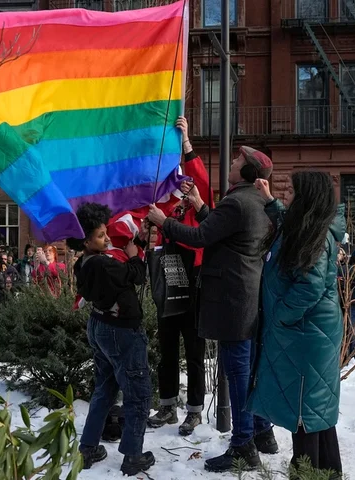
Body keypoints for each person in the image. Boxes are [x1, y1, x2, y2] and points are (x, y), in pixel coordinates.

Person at [148, 145, 278, 472]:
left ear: (246, 171)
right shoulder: (258, 200)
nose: (231, 162)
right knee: (250, 368)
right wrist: (201, 205)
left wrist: (164, 222)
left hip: (233, 299)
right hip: (250, 295)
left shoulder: (236, 201)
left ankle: (243, 445)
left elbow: (202, 237)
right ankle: (263, 432)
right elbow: (226, 233)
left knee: (237, 372)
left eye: (236, 160)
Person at [246, 172, 344, 478]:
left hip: (306, 335)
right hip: (307, 333)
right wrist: (270, 201)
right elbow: (289, 221)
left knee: (305, 412)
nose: (285, 192)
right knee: (315, 412)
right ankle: (328, 471)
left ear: (307, 197)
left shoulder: (316, 235)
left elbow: (309, 288)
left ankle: (307, 472)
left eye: (291, 190)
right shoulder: (307, 226)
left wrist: (281, 318)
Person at [68, 203, 154, 476]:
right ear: (86, 240)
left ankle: (89, 447)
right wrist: (134, 255)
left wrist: (137, 241)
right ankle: (132, 455)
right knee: (138, 393)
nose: (107, 239)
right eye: (102, 235)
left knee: (104, 389)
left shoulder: (83, 263)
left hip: (100, 326)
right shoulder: (104, 265)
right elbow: (136, 276)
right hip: (121, 332)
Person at [146, 116, 211, 436]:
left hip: (194, 273)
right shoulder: (163, 196)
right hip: (169, 270)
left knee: (194, 348)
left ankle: (195, 410)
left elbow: (200, 175)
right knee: (167, 345)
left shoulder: (200, 200)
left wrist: (186, 140)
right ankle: (168, 405)